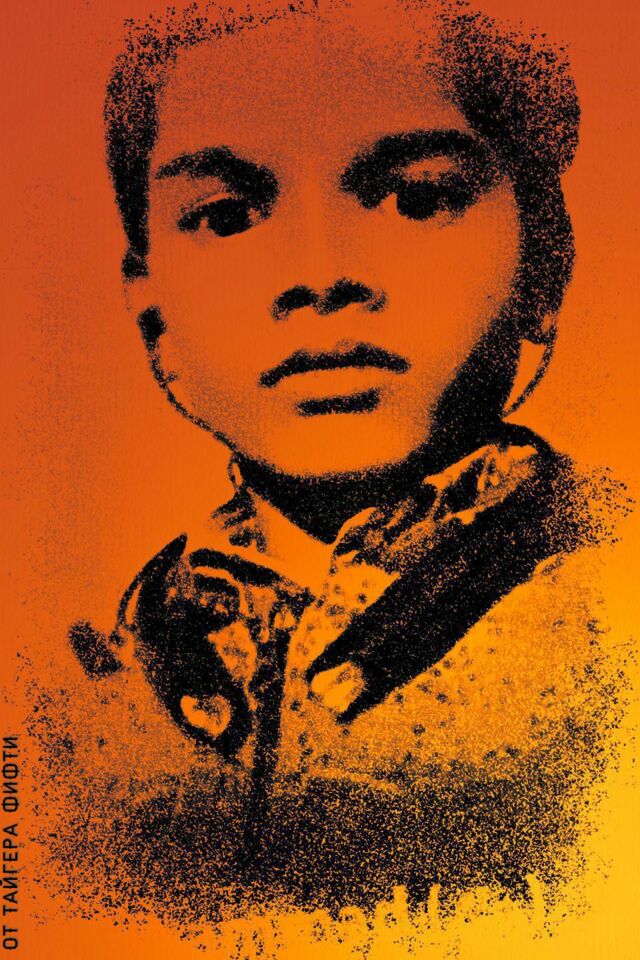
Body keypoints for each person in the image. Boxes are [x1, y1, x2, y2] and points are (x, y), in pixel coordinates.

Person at [68, 0, 620, 913]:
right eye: (228, 216)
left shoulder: (612, 617)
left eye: (418, 200)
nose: (319, 276)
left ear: (545, 258)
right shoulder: (95, 681)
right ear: (150, 307)